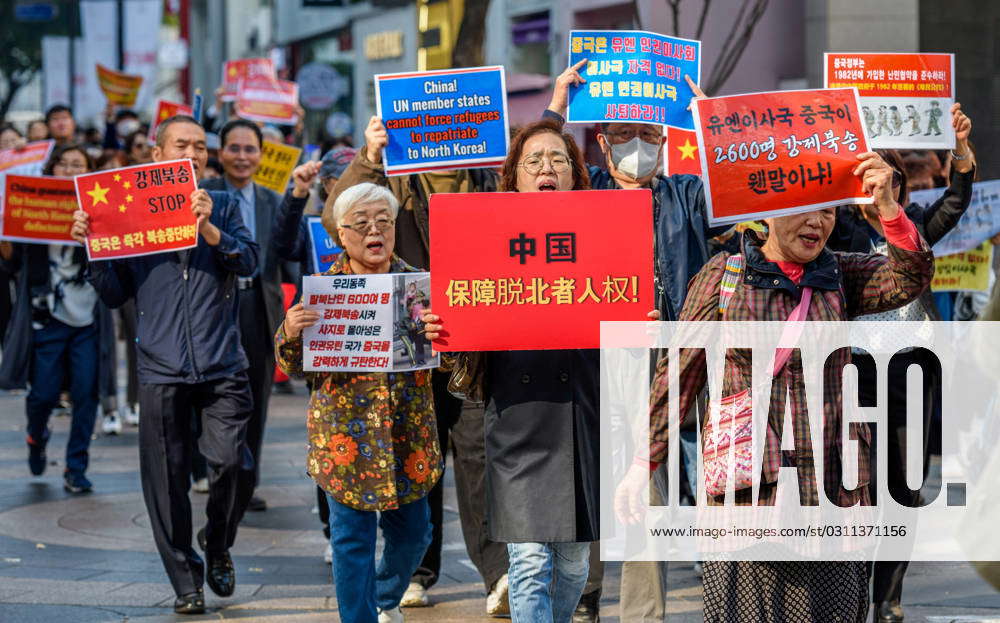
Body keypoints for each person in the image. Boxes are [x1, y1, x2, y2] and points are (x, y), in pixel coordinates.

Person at [615, 151, 935, 622]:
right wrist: (643, 462)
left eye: (827, 210)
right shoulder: (724, 278)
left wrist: (888, 205)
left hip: (831, 490)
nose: (817, 223)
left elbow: (910, 277)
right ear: (765, 211)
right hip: (751, 493)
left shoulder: (841, 274)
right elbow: (678, 376)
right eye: (802, 208)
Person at [422, 119, 656, 623]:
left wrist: (643, 326)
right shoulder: (483, 234)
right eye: (534, 161)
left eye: (558, 159)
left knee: (572, 564)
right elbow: (464, 327)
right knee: (528, 561)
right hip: (516, 417)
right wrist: (446, 327)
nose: (546, 168)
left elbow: (629, 321)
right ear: (514, 177)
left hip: (583, 413)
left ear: (575, 174)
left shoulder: (606, 228)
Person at [544, 59, 726, 621]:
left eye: (651, 135)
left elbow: (740, 196)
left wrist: (712, 120)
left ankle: (642, 613)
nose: (639, 147)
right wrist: (556, 103)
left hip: (663, 360)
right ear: (601, 143)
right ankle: (584, 595)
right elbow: (538, 172)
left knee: (647, 485)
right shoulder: (586, 190)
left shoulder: (688, 196)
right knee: (590, 481)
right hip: (590, 360)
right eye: (625, 135)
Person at [70, 114, 258, 615]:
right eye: (183, 145)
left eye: (201, 146)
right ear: (157, 155)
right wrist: (93, 248)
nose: (194, 153)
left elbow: (250, 264)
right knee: (166, 479)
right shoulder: (127, 210)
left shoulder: (223, 203)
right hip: (160, 366)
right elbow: (113, 296)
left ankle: (217, 542)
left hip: (221, 363)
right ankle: (185, 580)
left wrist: (212, 231)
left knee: (232, 466)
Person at [328, 118, 510, 613]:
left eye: (457, 127)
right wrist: (369, 155)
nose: (446, 137)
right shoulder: (393, 181)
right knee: (411, 482)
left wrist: (554, 108)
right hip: (395, 371)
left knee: (476, 462)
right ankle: (415, 577)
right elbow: (337, 214)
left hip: (465, 350)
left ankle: (496, 574)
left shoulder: (486, 181)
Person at [828, 103, 976, 623]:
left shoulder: (913, 226)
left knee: (903, 488)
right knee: (851, 487)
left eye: (887, 178)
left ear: (898, 185)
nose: (877, 188)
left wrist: (959, 150)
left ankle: (887, 599)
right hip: (853, 375)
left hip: (911, 374)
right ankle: (848, 593)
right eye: (868, 177)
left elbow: (957, 201)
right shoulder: (836, 229)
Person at [274, 181, 441, 623]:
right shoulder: (322, 292)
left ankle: (383, 596)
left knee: (414, 534)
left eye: (384, 221)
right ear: (341, 234)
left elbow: (449, 359)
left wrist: (445, 336)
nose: (375, 230)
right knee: (351, 541)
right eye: (362, 223)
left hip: (409, 436)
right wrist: (290, 332)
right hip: (345, 439)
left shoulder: (419, 287)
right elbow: (292, 364)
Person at [0, 144, 116, 493]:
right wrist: (7, 230)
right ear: (51, 169)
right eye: (62, 164)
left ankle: (75, 466)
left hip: (88, 319)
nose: (69, 170)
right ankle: (37, 435)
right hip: (45, 316)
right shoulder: (35, 205)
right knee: (43, 394)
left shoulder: (104, 211)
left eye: (77, 165)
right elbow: (9, 262)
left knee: (85, 392)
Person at [201, 118, 285, 514]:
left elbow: (288, 256)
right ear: (221, 153)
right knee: (213, 398)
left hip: (259, 309)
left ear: (261, 156)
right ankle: (217, 476)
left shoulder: (273, 200)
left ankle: (246, 486)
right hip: (215, 309)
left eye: (250, 149)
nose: (241, 157)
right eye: (233, 148)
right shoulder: (205, 195)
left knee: (256, 400)